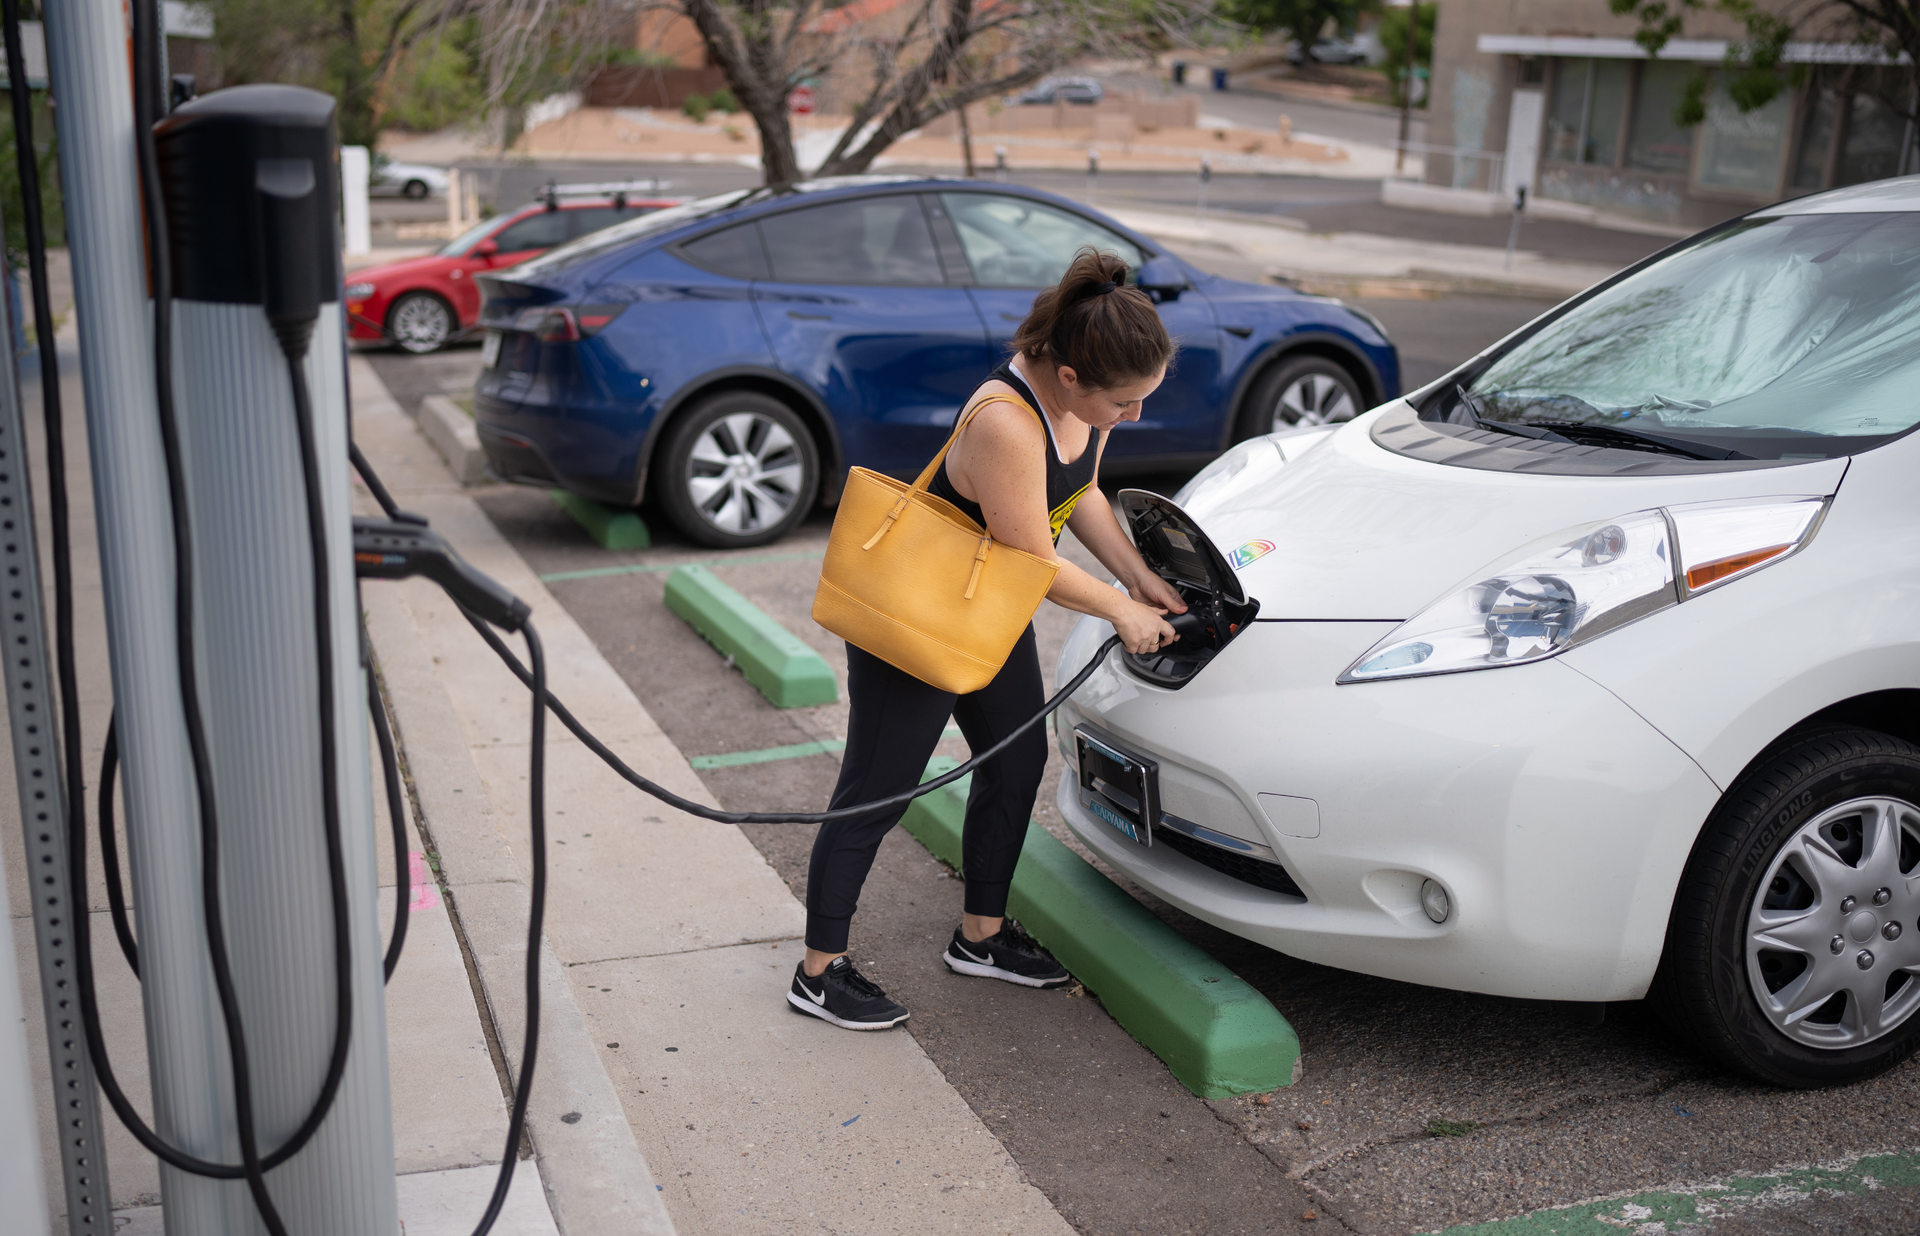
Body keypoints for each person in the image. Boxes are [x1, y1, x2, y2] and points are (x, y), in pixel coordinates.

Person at [790, 248, 1188, 1030]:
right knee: (877, 791)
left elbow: (1080, 497)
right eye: (1126, 402)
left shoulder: (1082, 405)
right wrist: (1121, 610)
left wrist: (1139, 575)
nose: (1133, 417)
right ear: (1070, 375)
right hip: (918, 624)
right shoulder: (1008, 422)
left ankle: (981, 937)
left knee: (1016, 759)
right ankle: (817, 971)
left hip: (983, 612)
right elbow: (1032, 561)